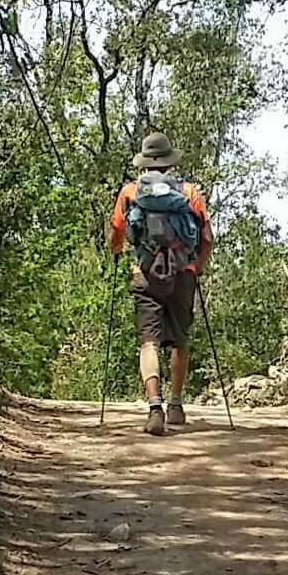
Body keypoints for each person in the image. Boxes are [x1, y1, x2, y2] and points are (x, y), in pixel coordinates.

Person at [108, 131, 213, 435]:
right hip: (182, 274)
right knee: (180, 338)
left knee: (148, 341)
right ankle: (176, 405)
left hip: (145, 274)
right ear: (169, 161)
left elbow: (116, 236)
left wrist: (119, 251)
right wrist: (196, 268)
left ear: (144, 161)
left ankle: (155, 408)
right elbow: (206, 238)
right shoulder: (188, 191)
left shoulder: (130, 192)